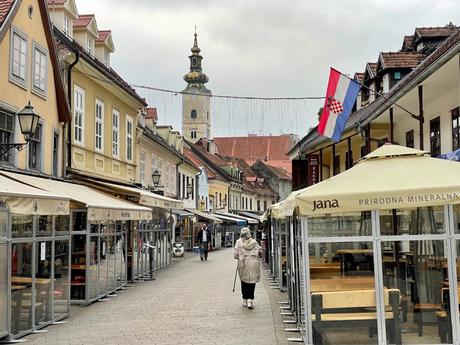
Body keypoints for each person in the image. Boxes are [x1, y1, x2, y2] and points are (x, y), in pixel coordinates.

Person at [233, 227, 262, 309]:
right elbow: (260, 253)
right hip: (254, 263)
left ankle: (245, 300)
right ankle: (250, 300)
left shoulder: (238, 242)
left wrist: (240, 256)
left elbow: (235, 255)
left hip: (243, 263)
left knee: (244, 281)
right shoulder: (255, 242)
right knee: (252, 282)